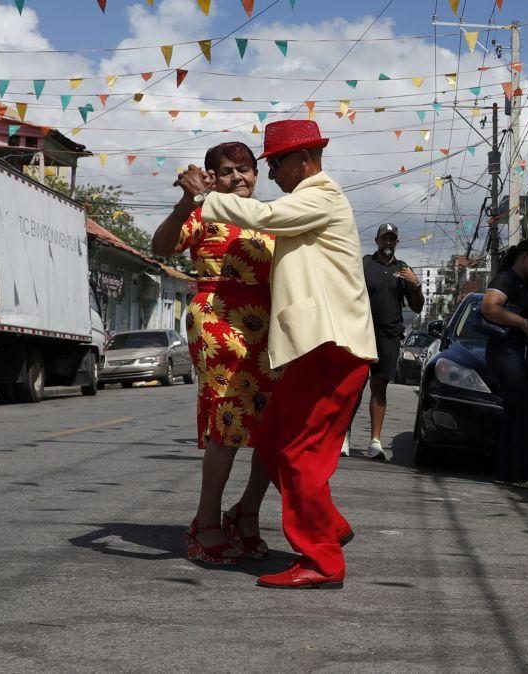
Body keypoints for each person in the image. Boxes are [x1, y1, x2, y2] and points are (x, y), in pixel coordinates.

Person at [176, 120, 377, 590]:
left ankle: (322, 559)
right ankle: (325, 526)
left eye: (271, 164)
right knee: (270, 440)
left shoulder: (319, 194)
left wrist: (205, 197)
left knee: (298, 453)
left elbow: (265, 218)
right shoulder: (302, 200)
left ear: (302, 160)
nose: (270, 174)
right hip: (306, 346)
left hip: (328, 345)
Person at [151, 141, 273, 566]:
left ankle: (247, 513)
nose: (238, 177)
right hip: (217, 320)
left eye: (246, 168)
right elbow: (162, 246)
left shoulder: (272, 218)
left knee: (275, 429)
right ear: (211, 178)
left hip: (271, 329)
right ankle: (206, 523)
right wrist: (186, 202)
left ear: (257, 174)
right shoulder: (202, 212)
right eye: (227, 171)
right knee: (229, 421)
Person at [343, 223, 424, 460]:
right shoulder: (366, 263)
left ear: (397, 243)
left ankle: (375, 441)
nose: (388, 243)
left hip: (389, 336)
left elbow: (417, 307)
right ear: (377, 240)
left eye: (392, 239)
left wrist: (415, 284)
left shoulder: (403, 269)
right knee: (354, 386)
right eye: (384, 238)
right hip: (361, 332)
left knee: (379, 387)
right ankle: (344, 436)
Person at [480, 239, 528, 489]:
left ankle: (506, 471)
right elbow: (489, 307)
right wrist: (522, 323)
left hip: (523, 352)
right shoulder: (506, 279)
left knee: (515, 410)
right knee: (526, 405)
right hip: (505, 350)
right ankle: (524, 472)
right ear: (523, 257)